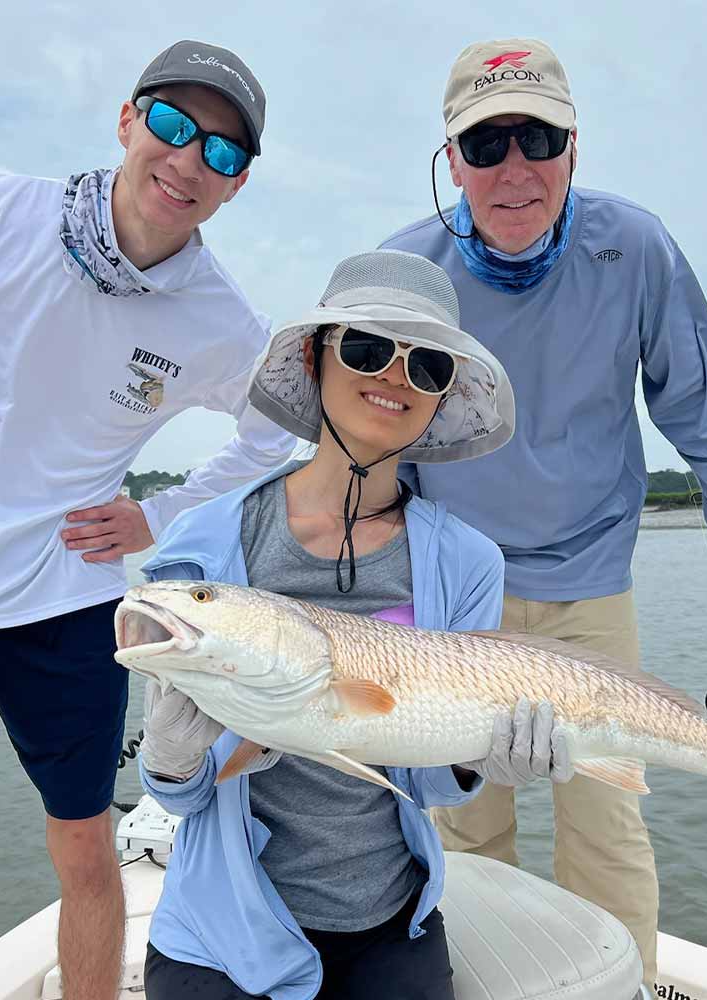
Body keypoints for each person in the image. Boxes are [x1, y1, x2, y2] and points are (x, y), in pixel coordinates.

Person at [380, 38, 707, 988]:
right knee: (464, 823)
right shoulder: (408, 269)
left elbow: (695, 404)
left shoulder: (633, 246)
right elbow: (361, 433)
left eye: (538, 139)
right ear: (452, 162)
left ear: (575, 147)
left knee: (606, 820)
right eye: (486, 146)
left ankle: (624, 985)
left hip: (590, 580)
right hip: (451, 594)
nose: (514, 170)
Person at [0, 40, 295, 1000]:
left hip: (67, 604)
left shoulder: (222, 326)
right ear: (128, 121)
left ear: (237, 186)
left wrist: (155, 516)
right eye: (172, 124)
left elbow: (269, 440)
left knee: (86, 849)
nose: (186, 159)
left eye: (220, 152)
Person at [134, 249, 573, 1000]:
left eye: (428, 365)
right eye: (368, 348)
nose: (395, 377)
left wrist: (481, 761)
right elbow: (181, 795)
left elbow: (431, 783)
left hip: (389, 920)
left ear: (443, 397)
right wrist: (171, 760)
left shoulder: (469, 561)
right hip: (224, 929)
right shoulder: (203, 546)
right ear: (315, 356)